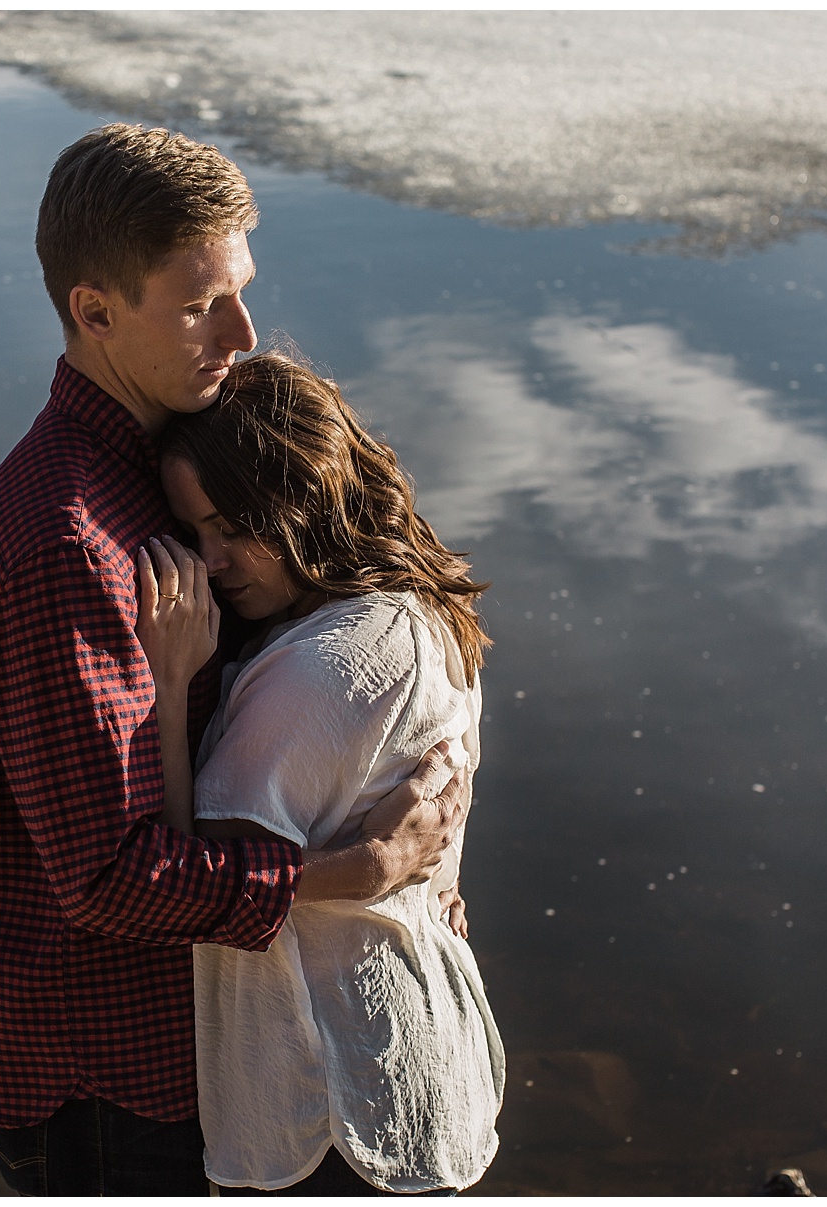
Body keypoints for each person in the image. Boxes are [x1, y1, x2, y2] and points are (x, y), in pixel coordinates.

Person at [0, 123, 473, 1195]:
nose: (241, 329)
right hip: (108, 1083)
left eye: (241, 288)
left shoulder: (173, 450)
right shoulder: (71, 544)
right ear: (94, 312)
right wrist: (358, 876)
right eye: (198, 304)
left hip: (186, 1056)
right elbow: (108, 877)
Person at [133, 350, 506, 1195]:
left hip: (328, 1103)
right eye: (196, 534)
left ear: (304, 500)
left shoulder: (325, 667)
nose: (214, 562)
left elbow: (202, 886)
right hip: (412, 1061)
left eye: (233, 526)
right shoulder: (425, 604)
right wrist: (394, 872)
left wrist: (170, 685)